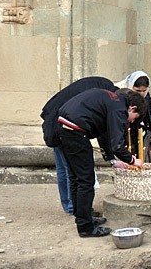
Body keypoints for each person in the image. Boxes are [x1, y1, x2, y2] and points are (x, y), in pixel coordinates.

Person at [57, 88, 147, 237]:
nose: (131, 121)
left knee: (76, 177)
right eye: (134, 117)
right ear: (132, 108)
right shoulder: (119, 108)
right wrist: (133, 160)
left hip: (65, 126)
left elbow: (104, 136)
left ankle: (82, 216)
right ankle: (86, 227)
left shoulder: (112, 101)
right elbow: (117, 145)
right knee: (86, 180)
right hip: (76, 131)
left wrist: (112, 160)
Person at [40, 76, 116, 215]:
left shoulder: (99, 87)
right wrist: (111, 157)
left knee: (66, 169)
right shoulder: (106, 96)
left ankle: (72, 206)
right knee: (72, 171)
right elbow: (103, 132)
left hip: (57, 120)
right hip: (63, 126)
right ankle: (75, 208)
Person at [115, 71, 151, 160]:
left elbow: (150, 110)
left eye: (144, 91)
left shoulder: (146, 95)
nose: (141, 94)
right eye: (138, 90)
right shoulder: (120, 93)